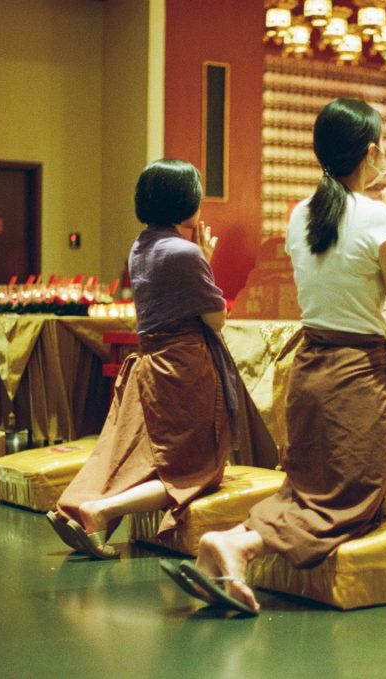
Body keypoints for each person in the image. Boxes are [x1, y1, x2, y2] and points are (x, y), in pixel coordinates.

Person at [160, 97, 386, 614]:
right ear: (371, 152)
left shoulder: (301, 214)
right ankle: (240, 545)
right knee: (346, 501)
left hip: (309, 373)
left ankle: (227, 546)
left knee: (305, 490)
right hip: (355, 376)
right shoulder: (378, 216)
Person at [46, 159, 238, 559]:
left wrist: (198, 255)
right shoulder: (185, 252)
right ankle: (101, 511)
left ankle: (76, 509)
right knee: (198, 471)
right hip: (186, 367)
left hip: (152, 362)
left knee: (132, 456)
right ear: (184, 201)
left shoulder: (141, 246)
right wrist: (204, 259)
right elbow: (216, 319)